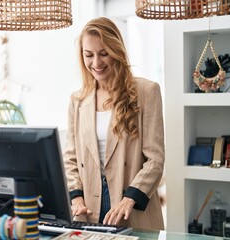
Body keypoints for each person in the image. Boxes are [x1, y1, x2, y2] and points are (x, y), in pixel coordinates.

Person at [63, 17, 165, 231]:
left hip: (131, 204)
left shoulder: (147, 92)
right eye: (88, 55)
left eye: (104, 53)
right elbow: (71, 159)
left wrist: (130, 198)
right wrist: (77, 199)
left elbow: (155, 159)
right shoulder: (78, 100)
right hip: (90, 209)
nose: (96, 63)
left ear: (116, 50)